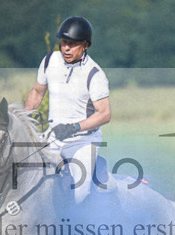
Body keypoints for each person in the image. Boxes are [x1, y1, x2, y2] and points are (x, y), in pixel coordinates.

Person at [24, 16, 111, 204]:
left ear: (85, 45)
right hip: (52, 136)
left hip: (82, 141)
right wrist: (23, 118)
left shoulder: (95, 74)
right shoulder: (49, 61)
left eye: (72, 44)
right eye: (63, 43)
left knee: (79, 193)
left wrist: (73, 127)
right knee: (24, 173)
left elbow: (104, 114)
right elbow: (37, 92)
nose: (66, 48)